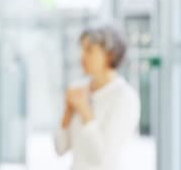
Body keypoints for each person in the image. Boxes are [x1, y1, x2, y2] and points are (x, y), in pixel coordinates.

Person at [54, 25, 141, 170]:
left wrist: (85, 112)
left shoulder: (125, 97)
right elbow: (60, 148)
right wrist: (68, 112)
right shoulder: (79, 89)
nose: (82, 56)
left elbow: (103, 156)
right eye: (82, 49)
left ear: (110, 55)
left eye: (89, 50)